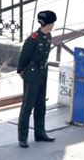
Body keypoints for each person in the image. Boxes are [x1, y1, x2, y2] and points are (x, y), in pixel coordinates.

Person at [16, 10, 57, 148]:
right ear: (46, 23)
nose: (53, 25)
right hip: (32, 74)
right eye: (52, 23)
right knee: (28, 106)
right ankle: (23, 137)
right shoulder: (33, 39)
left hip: (42, 72)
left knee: (41, 105)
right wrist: (21, 71)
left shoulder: (48, 36)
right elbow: (24, 57)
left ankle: (40, 133)